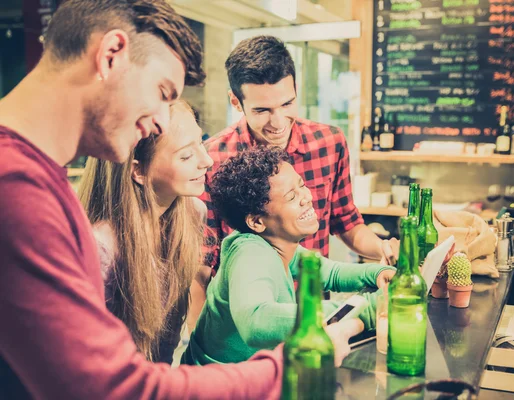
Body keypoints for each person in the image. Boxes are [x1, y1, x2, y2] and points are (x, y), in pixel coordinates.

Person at [0, 1, 332, 398]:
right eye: (161, 92)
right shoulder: (16, 189)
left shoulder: (38, 180)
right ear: (111, 55)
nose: (160, 120)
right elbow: (110, 387)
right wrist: (289, 365)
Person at [190, 34, 399, 323]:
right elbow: (199, 268)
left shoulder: (329, 143)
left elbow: (347, 224)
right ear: (235, 102)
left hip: (312, 313)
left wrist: (384, 249)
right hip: (245, 320)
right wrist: (200, 344)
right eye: (262, 110)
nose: (277, 123)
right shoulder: (211, 158)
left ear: (296, 89)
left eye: (286, 104)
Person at [181, 147, 396, 366]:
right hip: (217, 386)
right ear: (256, 222)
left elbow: (330, 272)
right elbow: (257, 322)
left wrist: (378, 273)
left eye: (301, 185)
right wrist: (369, 308)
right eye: (291, 196)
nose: (306, 197)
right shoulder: (249, 253)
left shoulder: (278, 245)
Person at [78, 100, 213, 364]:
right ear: (138, 169)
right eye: (186, 156)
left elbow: (167, 340)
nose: (206, 161)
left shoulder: (193, 213)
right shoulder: (100, 248)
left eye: (202, 143)